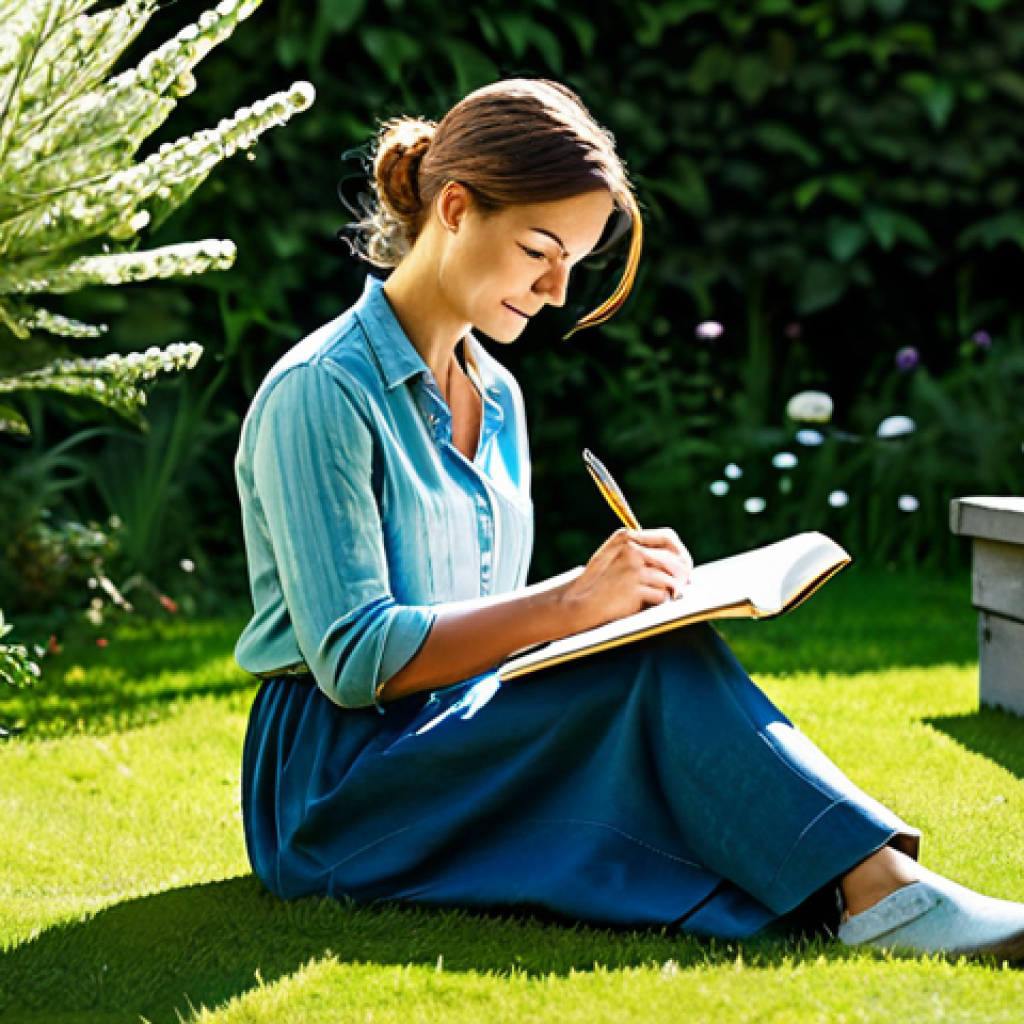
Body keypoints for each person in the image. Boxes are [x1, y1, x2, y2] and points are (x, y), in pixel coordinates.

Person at [234, 78, 1024, 960]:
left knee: (655, 648)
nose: (558, 289)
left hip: (452, 733)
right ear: (453, 209)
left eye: (573, 261)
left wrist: (612, 610)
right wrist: (572, 604)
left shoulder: (497, 396)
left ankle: (871, 885)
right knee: (649, 684)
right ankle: (878, 889)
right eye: (541, 250)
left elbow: (485, 619)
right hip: (334, 788)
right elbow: (352, 659)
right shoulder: (322, 392)